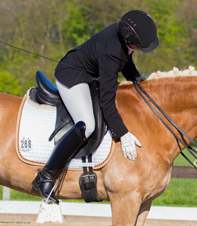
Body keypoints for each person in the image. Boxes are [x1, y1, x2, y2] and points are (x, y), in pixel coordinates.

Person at [31, 10, 159, 204]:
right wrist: (122, 133)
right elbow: (107, 101)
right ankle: (46, 176)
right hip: (71, 76)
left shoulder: (123, 36)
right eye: (138, 46)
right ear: (128, 39)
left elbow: (126, 59)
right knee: (87, 125)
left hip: (88, 76)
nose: (140, 49)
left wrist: (136, 77)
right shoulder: (111, 53)